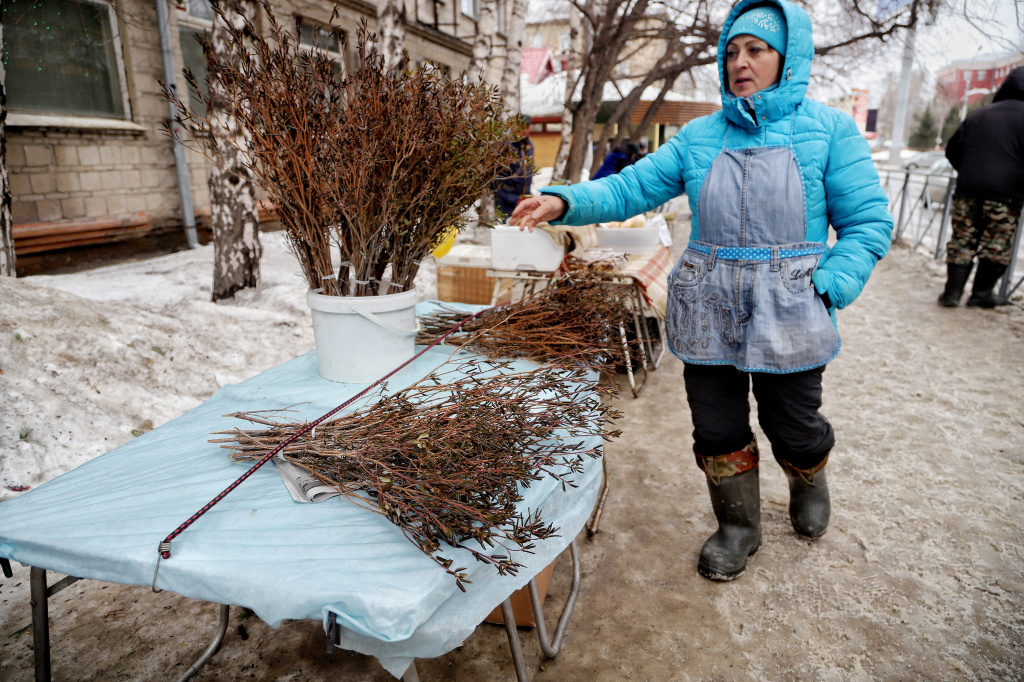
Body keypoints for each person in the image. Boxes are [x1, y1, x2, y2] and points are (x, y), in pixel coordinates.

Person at [510, 0, 892, 581]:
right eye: (732, 51)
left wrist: (831, 285)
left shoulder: (830, 130)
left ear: (787, 58)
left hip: (790, 306)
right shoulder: (699, 136)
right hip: (709, 304)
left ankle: (808, 474)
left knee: (794, 423)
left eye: (756, 50)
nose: (741, 62)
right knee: (716, 426)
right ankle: (738, 527)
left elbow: (867, 223)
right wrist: (565, 201)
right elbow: (632, 187)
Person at [937, 66, 1024, 309]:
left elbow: (952, 148)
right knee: (996, 244)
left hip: (968, 191)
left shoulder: (978, 115)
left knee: (962, 240)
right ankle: (981, 295)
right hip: (1006, 196)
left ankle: (951, 294)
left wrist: (967, 172)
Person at [493, 114, 535, 219]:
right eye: (522, 127)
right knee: (507, 232)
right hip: (506, 202)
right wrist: (503, 196)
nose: (525, 130)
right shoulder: (506, 146)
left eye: (527, 127)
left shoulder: (529, 146)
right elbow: (494, 175)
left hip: (523, 200)